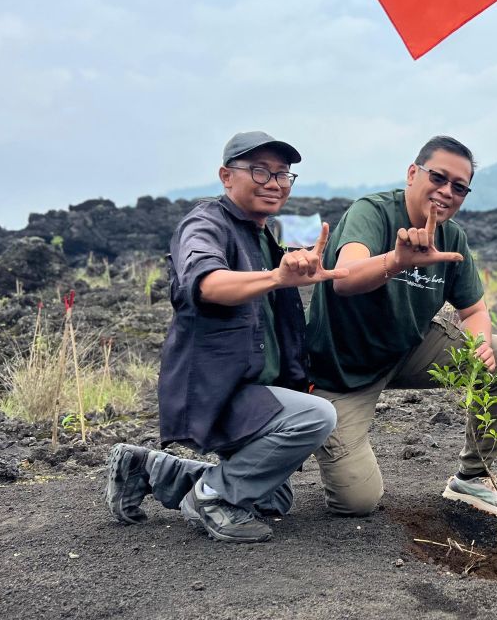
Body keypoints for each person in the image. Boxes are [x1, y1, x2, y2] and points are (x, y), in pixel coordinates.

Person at [105, 132, 344, 543]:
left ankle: (147, 469)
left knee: (273, 499)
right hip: (216, 390)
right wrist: (276, 277)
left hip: (250, 389)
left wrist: (397, 260)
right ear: (225, 176)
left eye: (283, 174)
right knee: (316, 415)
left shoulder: (260, 235)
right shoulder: (205, 224)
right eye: (259, 171)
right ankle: (209, 497)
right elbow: (206, 283)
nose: (273, 183)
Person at [304, 135, 497, 517]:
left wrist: (480, 345)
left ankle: (473, 478)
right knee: (357, 501)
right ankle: (310, 423)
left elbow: (474, 311)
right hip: (342, 371)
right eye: (438, 177)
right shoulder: (371, 213)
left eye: (459, 187)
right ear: (412, 173)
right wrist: (398, 260)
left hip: (404, 352)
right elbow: (344, 279)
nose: (446, 192)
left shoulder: (452, 236)